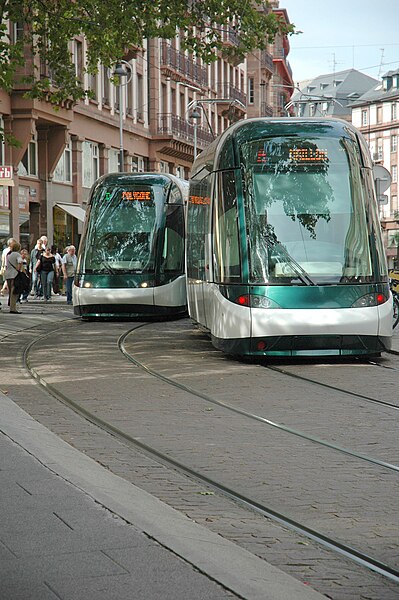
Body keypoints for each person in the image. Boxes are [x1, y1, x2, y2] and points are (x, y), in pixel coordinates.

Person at [4, 239, 23, 313]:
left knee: (10, 291)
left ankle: (11, 307)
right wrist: (19, 269)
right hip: (14, 274)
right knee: (14, 292)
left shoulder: (8, 254)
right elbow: (20, 262)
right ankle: (13, 308)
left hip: (8, 274)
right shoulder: (17, 254)